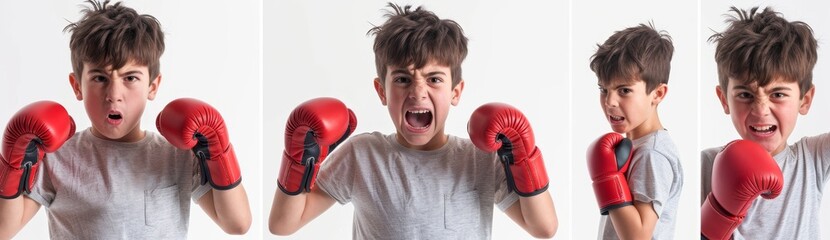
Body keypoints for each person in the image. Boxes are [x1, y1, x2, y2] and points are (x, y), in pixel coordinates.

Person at [269, 3, 557, 239]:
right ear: (382, 91)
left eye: (434, 79)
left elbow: (543, 228)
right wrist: (299, 158)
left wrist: (523, 157)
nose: (418, 92)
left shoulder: (479, 159)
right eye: (403, 79)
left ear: (455, 92)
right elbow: (283, 225)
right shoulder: (362, 155)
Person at [0, 1, 251, 238]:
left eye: (130, 78)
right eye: (100, 78)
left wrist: (219, 152)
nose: (114, 95)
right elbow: (3, 230)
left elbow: (237, 224)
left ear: (153, 87)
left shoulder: (176, 155)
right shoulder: (58, 158)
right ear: (77, 86)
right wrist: (11, 162)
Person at [700, 6, 823, 239]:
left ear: (804, 100)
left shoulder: (813, 158)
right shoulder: (707, 164)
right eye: (745, 95)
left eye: (778, 94)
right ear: (724, 100)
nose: (760, 110)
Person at [586, 23, 683, 239]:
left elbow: (637, 236)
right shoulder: (636, 147)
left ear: (657, 94)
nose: (610, 101)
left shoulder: (652, 154)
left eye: (624, 90)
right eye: (604, 89)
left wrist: (606, 178)